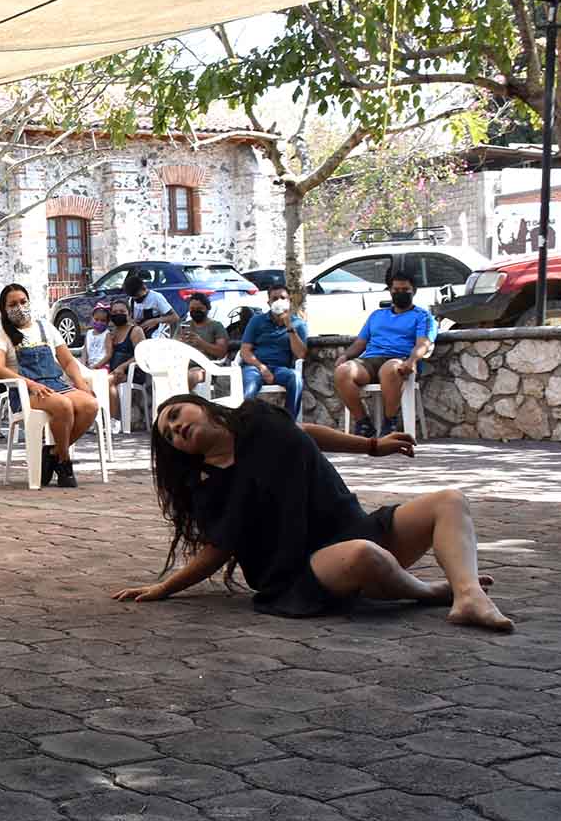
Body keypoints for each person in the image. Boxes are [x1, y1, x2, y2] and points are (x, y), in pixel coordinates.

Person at [114, 394, 512, 632]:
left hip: (356, 526)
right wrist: (165, 588)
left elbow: (303, 433)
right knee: (362, 554)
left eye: (177, 415)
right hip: (306, 571)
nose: (176, 427)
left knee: (450, 500)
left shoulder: (259, 418)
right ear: (179, 452)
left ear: (201, 407)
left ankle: (468, 595)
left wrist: (372, 445)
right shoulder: (210, 486)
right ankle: (428, 592)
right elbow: (218, 549)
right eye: (168, 434)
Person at [0, 283, 100, 487]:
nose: (19, 307)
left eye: (23, 302)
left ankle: (54, 452)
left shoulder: (45, 327)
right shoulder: (3, 334)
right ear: (4, 309)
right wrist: (29, 383)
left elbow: (67, 361)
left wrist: (80, 383)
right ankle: (65, 463)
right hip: (26, 391)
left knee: (90, 404)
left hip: (55, 384)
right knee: (63, 406)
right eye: (13, 304)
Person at [334, 269, 436, 438]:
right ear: (390, 291)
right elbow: (360, 343)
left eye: (405, 290)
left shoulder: (422, 316)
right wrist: (345, 356)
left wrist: (411, 361)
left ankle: (390, 423)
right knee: (342, 371)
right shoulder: (377, 315)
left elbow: (423, 344)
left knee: (391, 369)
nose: (400, 294)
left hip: (400, 359)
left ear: (414, 291)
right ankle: (364, 423)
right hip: (371, 360)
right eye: (396, 290)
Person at [239, 288, 308, 419]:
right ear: (269, 303)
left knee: (296, 379)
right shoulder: (256, 321)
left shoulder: (298, 324)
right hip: (256, 367)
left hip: (280, 369)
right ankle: (245, 424)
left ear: (289, 301)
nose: (279, 302)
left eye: (283, 298)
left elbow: (301, 355)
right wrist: (262, 367)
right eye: (274, 299)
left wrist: (289, 327)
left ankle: (289, 423)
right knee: (249, 386)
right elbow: (245, 351)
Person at [174, 296, 231, 390]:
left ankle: (183, 401)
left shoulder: (216, 326)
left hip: (206, 367)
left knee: (189, 377)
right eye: (192, 309)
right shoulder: (184, 326)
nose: (195, 311)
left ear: (207, 309)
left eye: (199, 309)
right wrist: (179, 343)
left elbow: (221, 352)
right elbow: (172, 348)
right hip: (182, 364)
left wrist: (201, 342)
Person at [122, 272, 178, 336]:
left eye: (139, 296)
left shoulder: (156, 297)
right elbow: (130, 316)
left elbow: (175, 317)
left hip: (153, 336)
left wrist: (155, 321)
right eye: (134, 298)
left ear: (144, 288)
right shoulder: (131, 299)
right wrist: (132, 321)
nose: (137, 300)